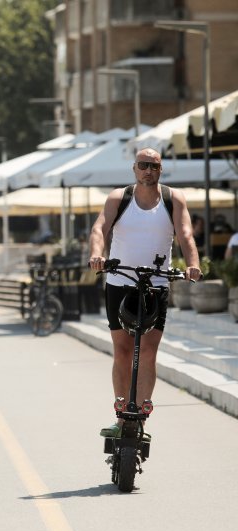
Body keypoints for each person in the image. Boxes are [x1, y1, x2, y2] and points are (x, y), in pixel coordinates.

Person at [88, 148, 201, 439]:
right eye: (143, 165)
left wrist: (193, 264)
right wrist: (97, 255)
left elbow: (185, 234)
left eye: (154, 165)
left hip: (156, 284)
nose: (148, 170)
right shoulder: (119, 197)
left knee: (148, 352)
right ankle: (121, 413)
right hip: (119, 281)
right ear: (134, 168)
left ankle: (140, 418)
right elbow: (100, 228)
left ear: (160, 170)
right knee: (123, 351)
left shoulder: (173, 199)